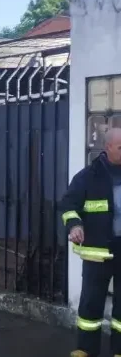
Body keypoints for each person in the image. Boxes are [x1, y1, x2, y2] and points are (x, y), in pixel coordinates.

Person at [61, 128, 121, 357]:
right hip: (97, 252)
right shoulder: (87, 176)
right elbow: (68, 206)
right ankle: (86, 350)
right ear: (107, 148)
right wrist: (75, 225)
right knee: (90, 304)